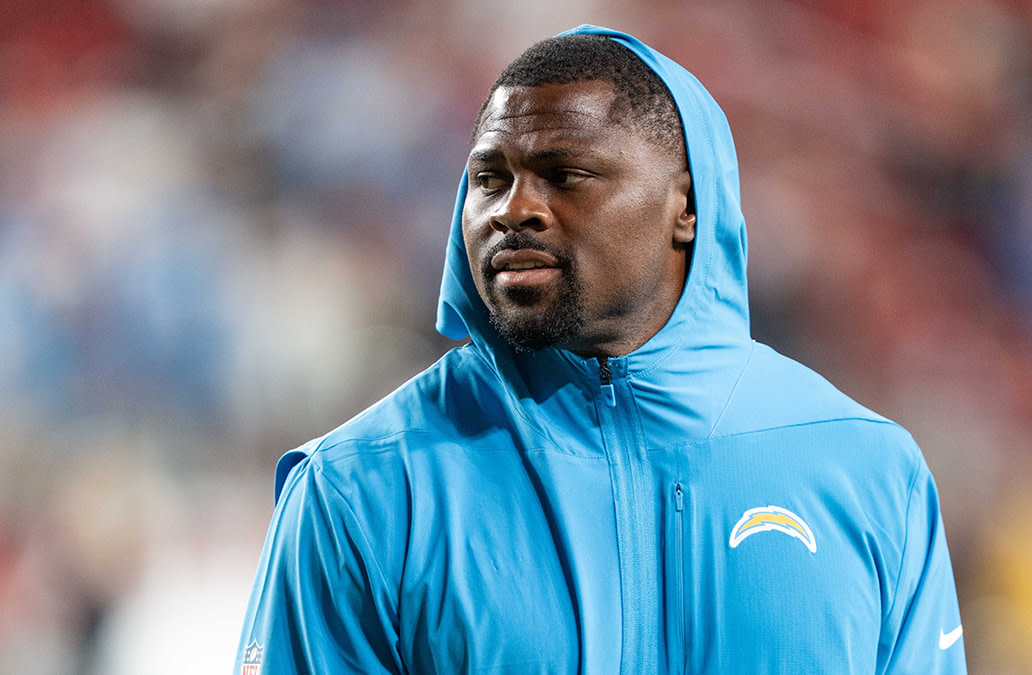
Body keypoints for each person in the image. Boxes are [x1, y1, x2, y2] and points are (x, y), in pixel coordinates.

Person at [236, 25, 967, 674]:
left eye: (565, 175)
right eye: (489, 179)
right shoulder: (360, 489)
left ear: (687, 205)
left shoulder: (867, 468)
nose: (514, 209)